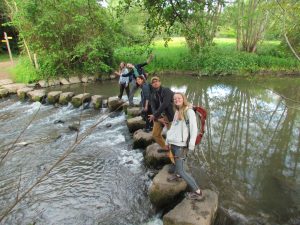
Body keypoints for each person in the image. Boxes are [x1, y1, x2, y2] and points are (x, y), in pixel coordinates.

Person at [165, 92, 204, 201]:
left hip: (182, 146)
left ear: (183, 98)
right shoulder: (177, 111)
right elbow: (173, 127)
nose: (177, 100)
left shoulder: (189, 111)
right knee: (179, 166)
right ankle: (177, 175)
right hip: (174, 143)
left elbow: (194, 129)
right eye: (175, 98)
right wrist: (167, 140)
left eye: (179, 98)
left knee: (182, 170)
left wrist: (191, 145)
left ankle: (198, 192)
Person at [148, 76, 174, 149]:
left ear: (160, 82)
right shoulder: (152, 95)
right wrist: (157, 118)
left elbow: (165, 103)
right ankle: (166, 148)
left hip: (169, 115)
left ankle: (174, 150)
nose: (155, 83)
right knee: (155, 134)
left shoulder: (166, 90)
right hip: (159, 116)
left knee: (172, 135)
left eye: (156, 81)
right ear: (152, 85)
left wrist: (154, 115)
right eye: (153, 82)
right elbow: (153, 107)